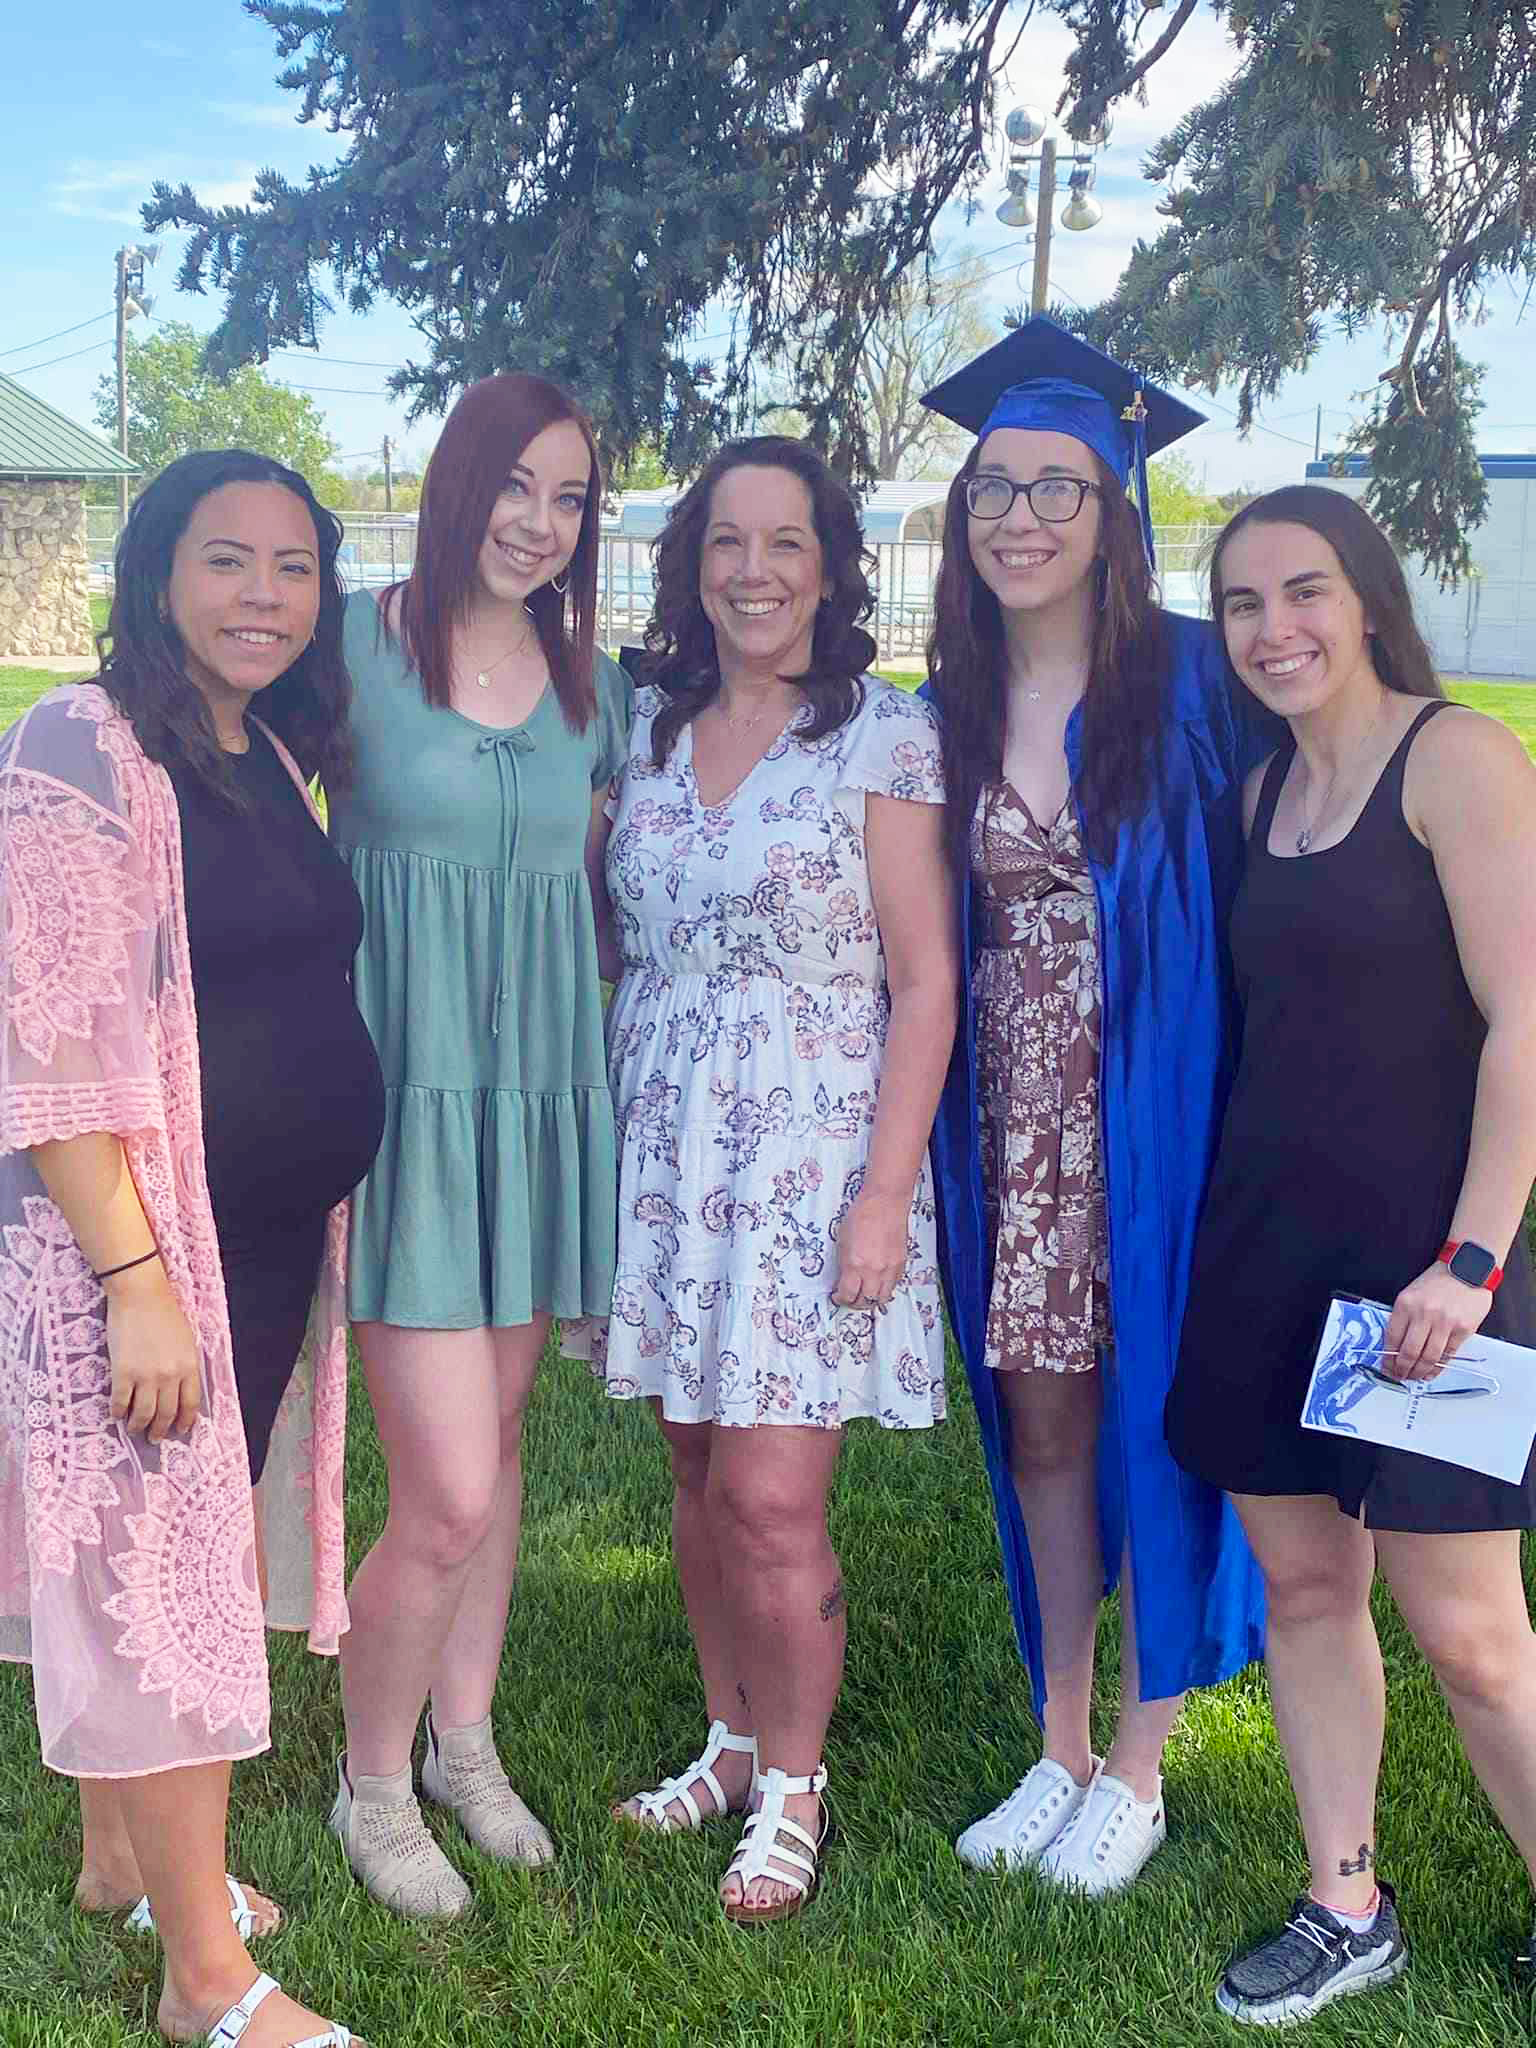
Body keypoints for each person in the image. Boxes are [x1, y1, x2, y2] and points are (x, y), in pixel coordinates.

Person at [0, 449, 382, 2046]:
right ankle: (205, 1984)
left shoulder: (262, 746)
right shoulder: (80, 741)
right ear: (157, 570)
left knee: (179, 1540)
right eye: (227, 562)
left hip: (265, 1233)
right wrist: (133, 1279)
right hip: (151, 1254)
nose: (264, 598)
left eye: (293, 569)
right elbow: (48, 1035)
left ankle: (116, 1857)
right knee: (166, 1571)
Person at [570, 435, 956, 1923]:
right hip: (668, 1150)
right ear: (692, 566)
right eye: (725, 543)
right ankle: (729, 1741)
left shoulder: (883, 739)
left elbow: (923, 985)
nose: (752, 572)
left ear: (831, 564)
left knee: (774, 1497)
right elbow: (620, 943)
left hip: (812, 1161)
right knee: (692, 1469)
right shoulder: (650, 736)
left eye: (784, 543)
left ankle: (797, 1782)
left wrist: (881, 1195)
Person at [1167, 485, 1536, 2024]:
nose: (1274, 630)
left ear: (1368, 600)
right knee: (1309, 1586)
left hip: (1427, 1273)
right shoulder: (1258, 798)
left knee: (1469, 1634)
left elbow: (1527, 1018)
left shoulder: (1453, 759)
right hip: (1269, 1254)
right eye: (1243, 604)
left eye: (1303, 592)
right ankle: (1346, 1900)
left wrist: (1473, 1259)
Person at [922, 319, 1269, 1894]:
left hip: (1177, 1109)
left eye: (1058, 488)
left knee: (1155, 1408)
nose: (1022, 519)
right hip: (1013, 1120)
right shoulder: (943, 701)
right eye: (995, 487)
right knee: (1046, 1412)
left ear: (1118, 510)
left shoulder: (1202, 684)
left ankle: (1141, 1754)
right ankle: (1056, 1739)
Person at [325, 373, 630, 1919]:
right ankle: (370, 1786)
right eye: (513, 484)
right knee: (443, 1488)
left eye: (570, 496)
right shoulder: (357, 648)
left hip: (539, 1109)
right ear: (456, 481)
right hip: (401, 1103)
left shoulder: (598, 685)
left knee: (497, 1463)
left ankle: (466, 1742)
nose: (537, 521)